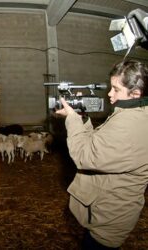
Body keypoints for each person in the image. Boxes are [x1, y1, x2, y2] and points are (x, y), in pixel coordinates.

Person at [56, 59, 148, 249]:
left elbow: (85, 156)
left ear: (136, 93)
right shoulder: (134, 113)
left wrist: (72, 120)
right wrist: (82, 116)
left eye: (116, 89)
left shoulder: (128, 123)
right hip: (109, 210)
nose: (109, 94)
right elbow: (100, 144)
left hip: (109, 218)